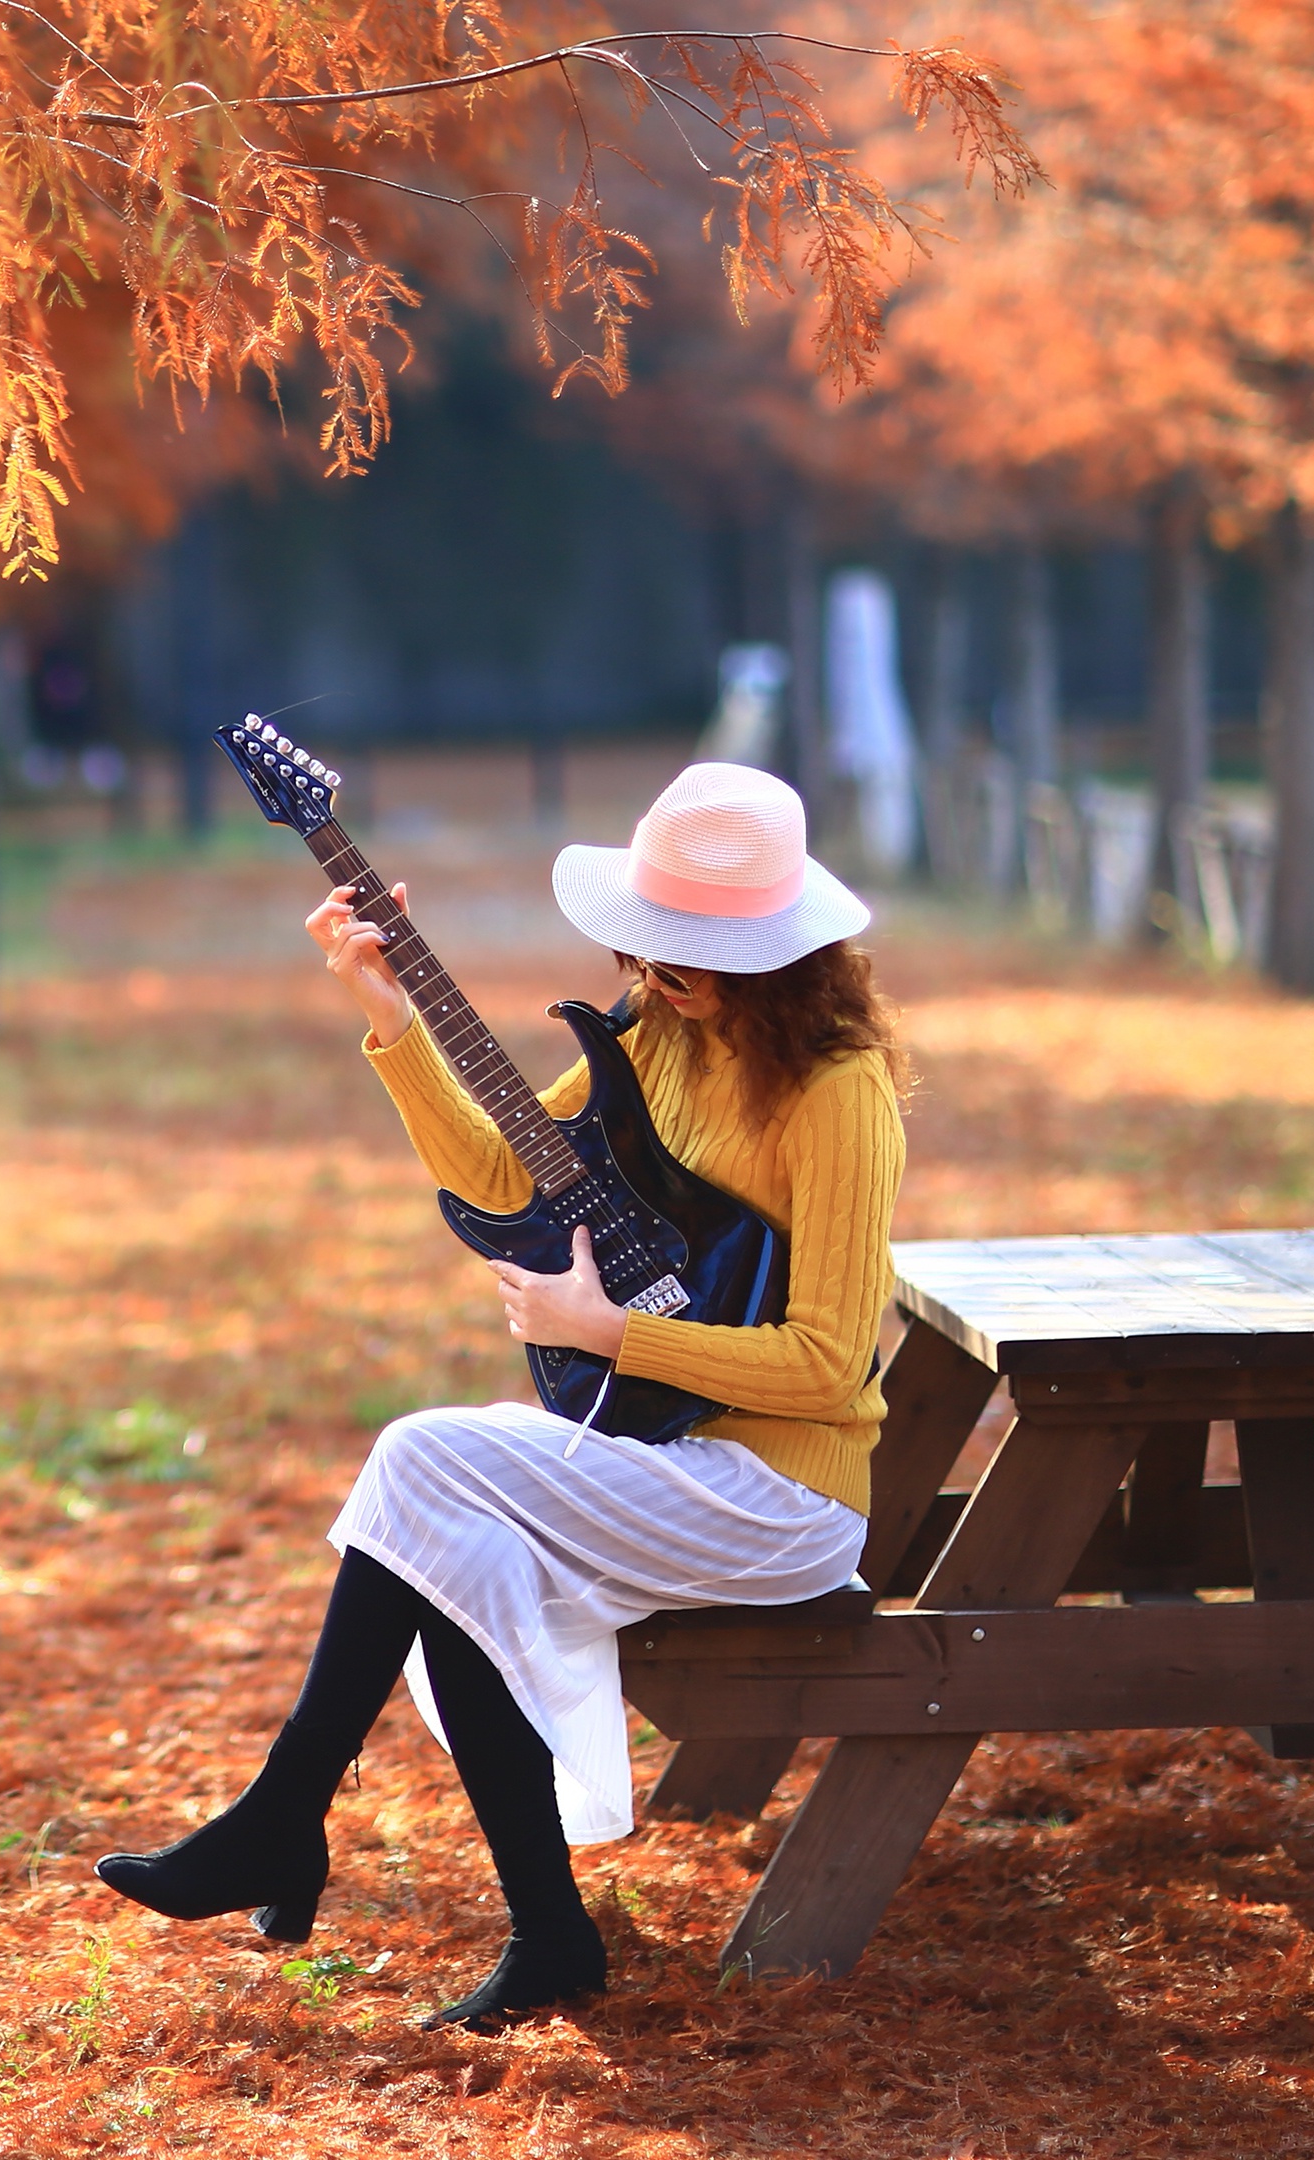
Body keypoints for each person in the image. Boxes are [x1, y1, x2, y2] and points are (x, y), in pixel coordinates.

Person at [94, 761, 907, 2031]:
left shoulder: (836, 1093)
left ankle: (284, 1815)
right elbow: (503, 1173)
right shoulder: (652, 1041)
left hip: (783, 1497)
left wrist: (611, 1333)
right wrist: (392, 1025)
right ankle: (548, 1937)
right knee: (458, 1552)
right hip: (663, 1461)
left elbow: (829, 1360)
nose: (653, 977)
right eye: (645, 949)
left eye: (688, 958)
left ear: (778, 958)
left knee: (424, 1460)